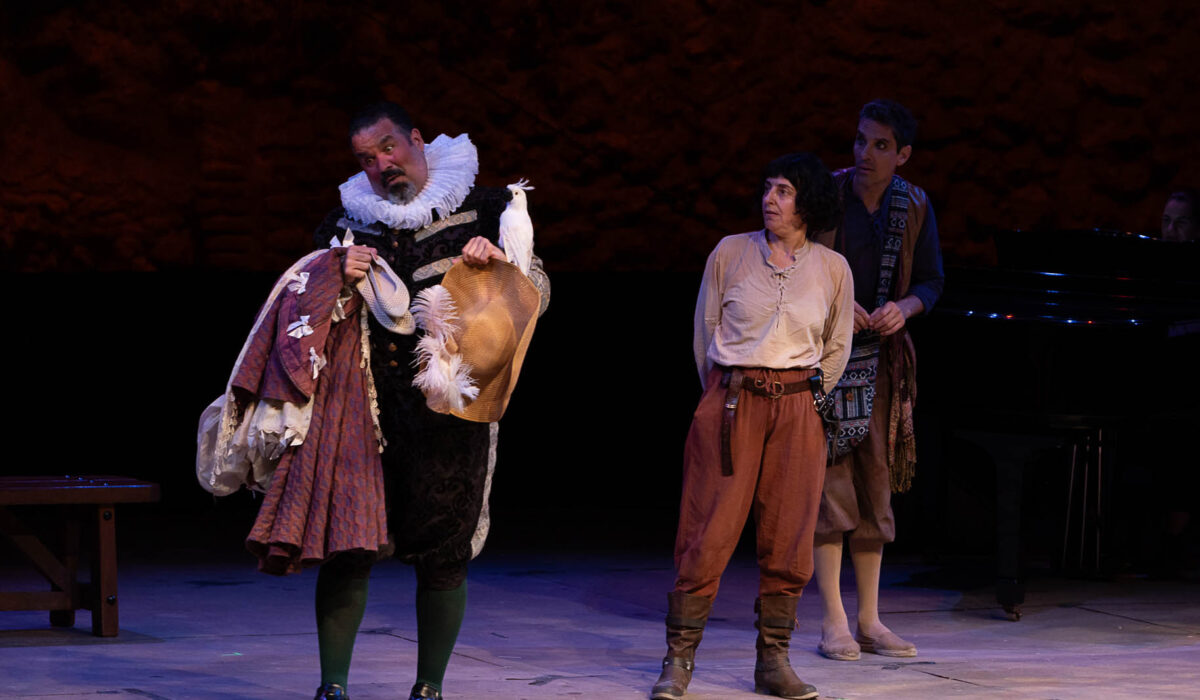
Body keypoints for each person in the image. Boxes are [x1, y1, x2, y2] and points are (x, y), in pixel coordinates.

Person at [251, 101, 549, 700]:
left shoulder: (488, 207)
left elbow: (536, 290)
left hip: (449, 411)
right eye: (367, 158)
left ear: (415, 139)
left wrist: (499, 267)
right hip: (361, 408)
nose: (382, 165)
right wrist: (336, 273)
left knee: (444, 548)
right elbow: (303, 303)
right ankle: (333, 687)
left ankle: (429, 687)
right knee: (347, 542)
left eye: (388, 148)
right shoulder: (346, 221)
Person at [651, 153, 854, 700]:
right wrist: (723, 393)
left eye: (783, 191)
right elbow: (705, 333)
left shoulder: (833, 268)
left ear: (808, 202)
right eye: (768, 188)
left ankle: (774, 660)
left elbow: (836, 347)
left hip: (798, 406)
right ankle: (678, 657)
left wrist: (806, 400)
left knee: (789, 536)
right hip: (733, 400)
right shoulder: (730, 252)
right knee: (708, 529)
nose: (770, 199)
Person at [810, 99, 944, 662]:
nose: (866, 152)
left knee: (875, 485)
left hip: (883, 364)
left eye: (881, 145)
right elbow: (801, 262)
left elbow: (932, 281)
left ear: (902, 154)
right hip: (828, 360)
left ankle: (869, 619)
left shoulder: (914, 204)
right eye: (861, 140)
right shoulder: (828, 194)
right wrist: (840, 306)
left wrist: (904, 308)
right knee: (829, 487)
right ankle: (833, 621)